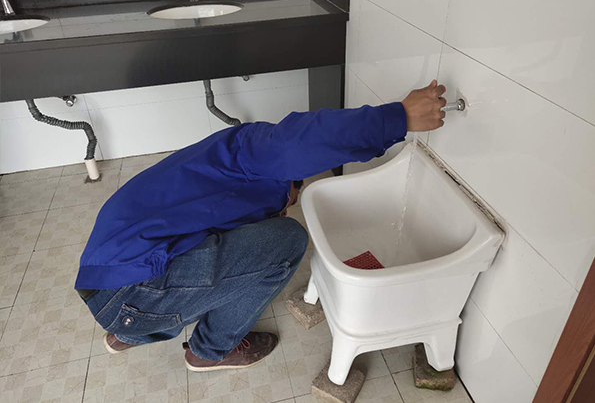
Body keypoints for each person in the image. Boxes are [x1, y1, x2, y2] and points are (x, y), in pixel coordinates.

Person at [75, 80, 447, 372]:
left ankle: (129, 333)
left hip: (105, 279)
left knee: (244, 240)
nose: (289, 205)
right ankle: (209, 351)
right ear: (290, 181)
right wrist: (399, 117)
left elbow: (212, 226)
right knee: (287, 240)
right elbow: (300, 141)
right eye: (293, 197)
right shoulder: (252, 149)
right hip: (132, 291)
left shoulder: (214, 166)